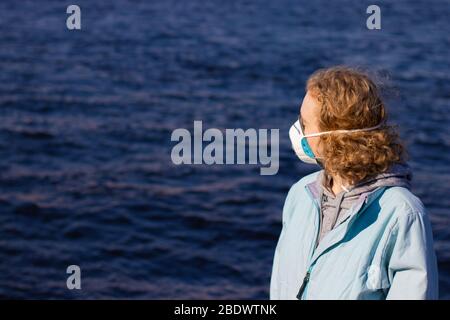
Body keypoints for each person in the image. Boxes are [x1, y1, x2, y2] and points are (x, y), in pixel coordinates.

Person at [270, 66, 439, 300]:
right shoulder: (301, 194)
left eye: (304, 122)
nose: (297, 129)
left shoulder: (403, 214)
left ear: (334, 139)